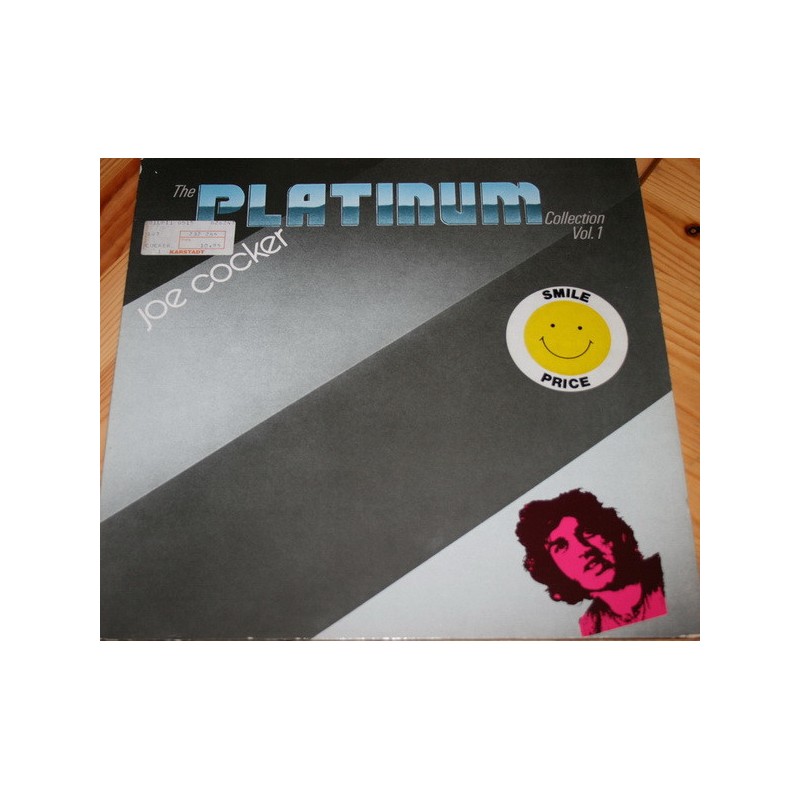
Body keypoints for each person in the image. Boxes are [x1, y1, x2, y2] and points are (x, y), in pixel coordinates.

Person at [515, 489, 667, 636]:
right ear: (553, 569)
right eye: (561, 546)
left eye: (587, 531)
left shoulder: (666, 574)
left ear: (614, 532)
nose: (584, 549)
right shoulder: (590, 626)